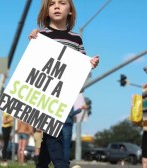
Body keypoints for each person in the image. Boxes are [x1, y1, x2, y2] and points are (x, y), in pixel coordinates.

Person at [28, 0, 99, 167]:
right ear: (46, 11)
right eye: (52, 4)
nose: (57, 6)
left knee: (50, 137)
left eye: (62, 3)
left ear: (70, 11)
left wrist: (91, 63)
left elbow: (82, 64)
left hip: (64, 96)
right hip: (44, 94)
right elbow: (32, 63)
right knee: (55, 134)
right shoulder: (41, 35)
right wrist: (32, 40)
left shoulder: (76, 39)